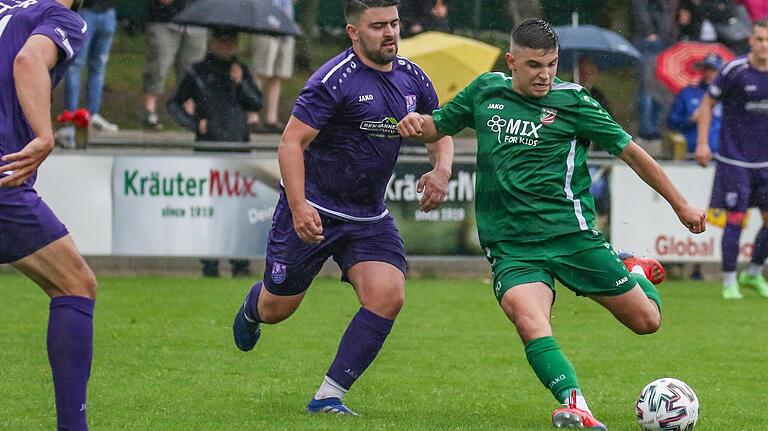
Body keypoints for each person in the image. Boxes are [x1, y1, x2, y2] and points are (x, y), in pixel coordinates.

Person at [398, 18, 706, 429]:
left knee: (647, 321)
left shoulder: (575, 101)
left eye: (552, 64)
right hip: (512, 246)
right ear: (511, 62)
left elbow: (632, 153)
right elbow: (437, 126)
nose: (545, 75)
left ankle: (632, 269)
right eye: (534, 66)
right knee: (528, 319)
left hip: (571, 236)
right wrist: (416, 125)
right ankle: (574, 402)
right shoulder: (485, 91)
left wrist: (680, 205)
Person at [231, 0, 453, 415]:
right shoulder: (334, 80)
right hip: (313, 209)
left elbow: (438, 129)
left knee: (388, 296)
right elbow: (291, 143)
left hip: (368, 217)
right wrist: (298, 207)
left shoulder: (412, 77)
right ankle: (253, 308)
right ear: (353, 32)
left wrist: (441, 169)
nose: (390, 33)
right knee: (278, 308)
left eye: (395, 23)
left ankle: (328, 395)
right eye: (378, 26)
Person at [0, 1, 97, 430]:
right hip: (5, 176)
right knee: (76, 284)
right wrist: (44, 133)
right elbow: (28, 60)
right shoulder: (60, 18)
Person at [166, 27, 263, 278]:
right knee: (210, 209)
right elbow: (174, 103)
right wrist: (193, 123)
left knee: (239, 209)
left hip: (239, 147)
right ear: (212, 42)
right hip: (209, 147)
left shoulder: (241, 71)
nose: (227, 46)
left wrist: (240, 83)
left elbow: (256, 103)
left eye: (231, 41)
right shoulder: (197, 72)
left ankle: (240, 262)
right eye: (222, 41)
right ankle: (209, 263)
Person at [695, 20, 768, 300]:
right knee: (735, 220)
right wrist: (702, 143)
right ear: (751, 40)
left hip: (765, 163)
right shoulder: (734, 70)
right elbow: (707, 104)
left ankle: (753, 272)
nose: (764, 45)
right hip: (734, 160)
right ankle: (728, 282)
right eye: (760, 39)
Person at [141, 0, 208, 130]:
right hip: (164, 19)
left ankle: (188, 114)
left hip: (196, 20)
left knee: (192, 70)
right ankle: (149, 110)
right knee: (159, 64)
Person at [249, 0, 296, 134]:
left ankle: (271, 119)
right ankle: (253, 116)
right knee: (260, 71)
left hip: (286, 22)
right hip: (265, 21)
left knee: (278, 74)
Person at [667, 52, 723, 155]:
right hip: (691, 154)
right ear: (701, 70)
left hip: (721, 155)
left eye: (713, 70)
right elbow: (671, 123)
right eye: (706, 69)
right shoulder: (687, 93)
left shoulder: (727, 96)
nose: (709, 73)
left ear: (720, 73)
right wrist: (690, 120)